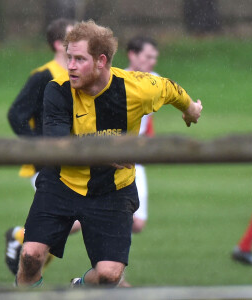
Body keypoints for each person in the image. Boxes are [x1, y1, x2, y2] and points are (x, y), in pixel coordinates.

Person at [16, 20, 203, 288]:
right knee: (31, 256)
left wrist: (191, 110)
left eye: (79, 59)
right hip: (61, 183)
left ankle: (79, 286)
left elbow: (171, 89)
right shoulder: (57, 90)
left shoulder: (137, 87)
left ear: (101, 61)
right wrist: (104, 155)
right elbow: (57, 146)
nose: (70, 66)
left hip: (113, 190)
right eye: (69, 57)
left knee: (109, 276)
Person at [5, 18, 80, 276]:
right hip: (49, 164)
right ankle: (21, 244)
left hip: (73, 162)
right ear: (59, 44)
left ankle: (24, 255)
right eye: (73, 36)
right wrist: (40, 149)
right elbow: (16, 115)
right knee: (74, 218)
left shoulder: (80, 75)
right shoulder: (43, 76)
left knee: (68, 221)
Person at [126, 36, 159, 233]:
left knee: (137, 223)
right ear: (132, 55)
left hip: (136, 157)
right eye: (147, 56)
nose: (152, 61)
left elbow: (147, 119)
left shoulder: (155, 80)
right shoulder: (116, 79)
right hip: (112, 155)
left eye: (154, 57)